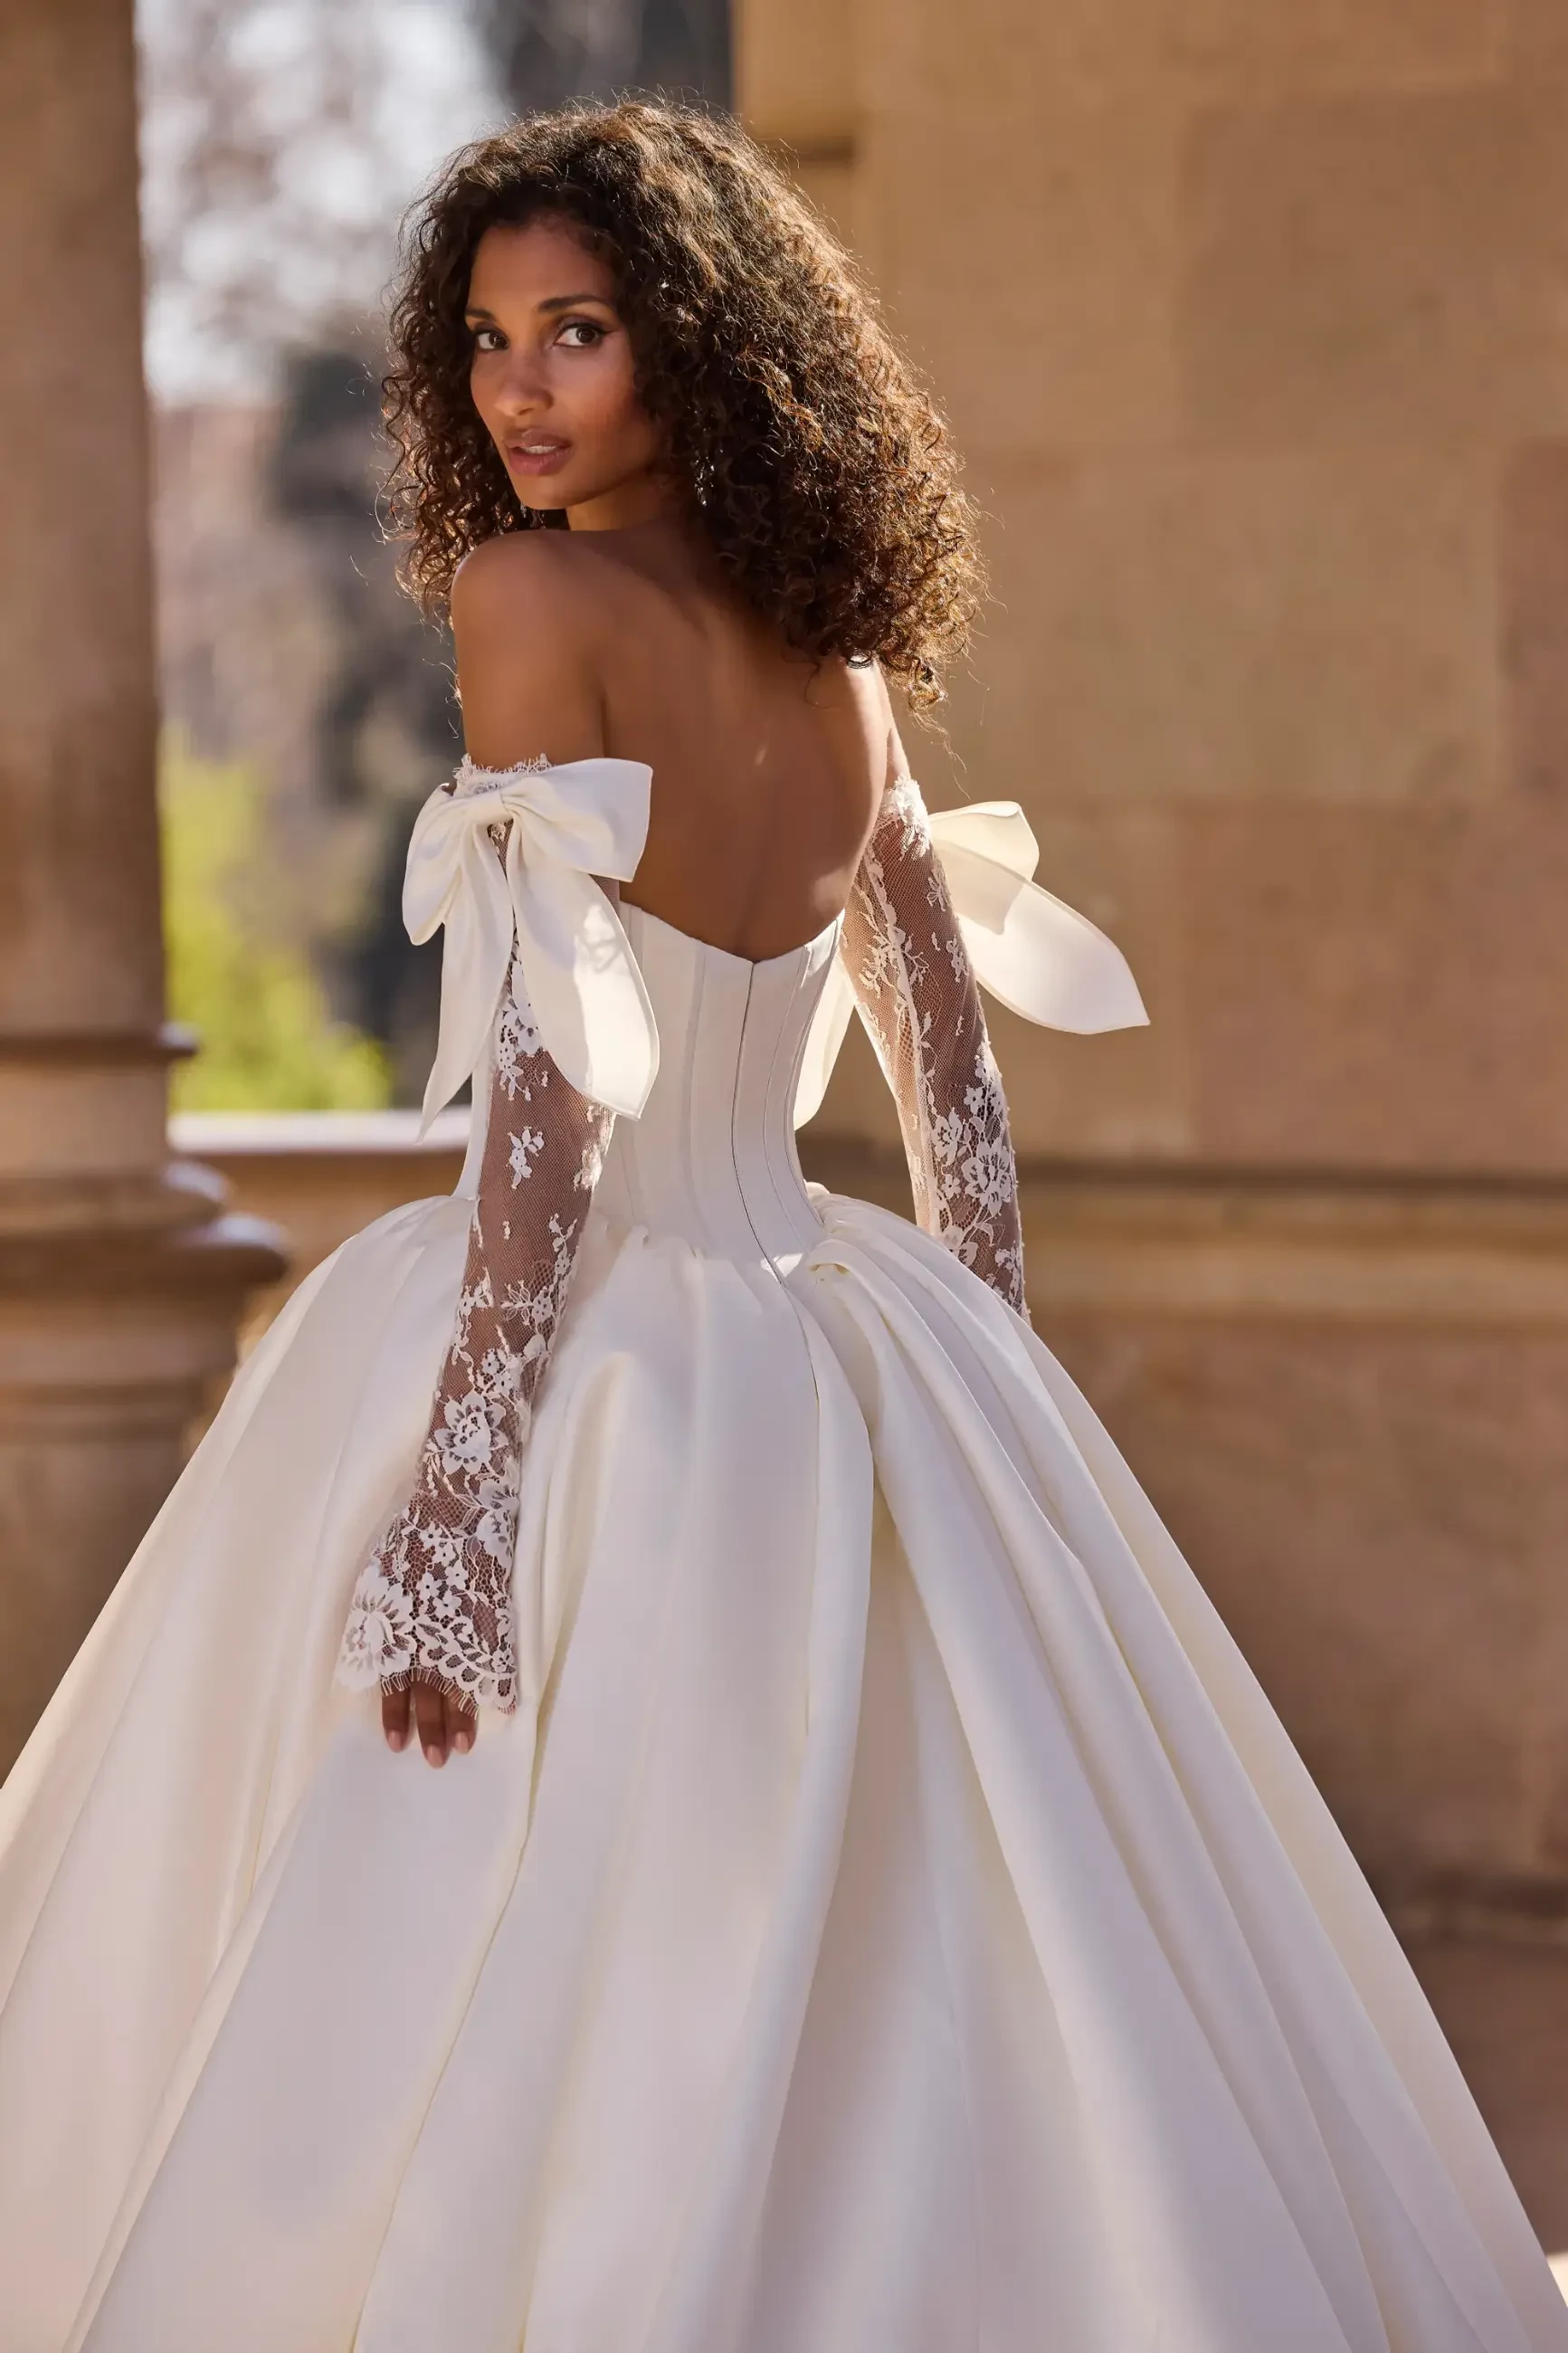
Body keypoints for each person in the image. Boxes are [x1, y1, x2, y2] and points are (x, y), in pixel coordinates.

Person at [0, 97, 1563, 2353]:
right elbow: (951, 1058)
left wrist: (463, 1478)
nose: (518, 391)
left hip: (589, 1335)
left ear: (696, 348)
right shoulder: (834, 656)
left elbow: (545, 1087)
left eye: (578, 333)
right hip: (837, 1330)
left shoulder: (530, 599)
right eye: (485, 342)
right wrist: (982, 1365)